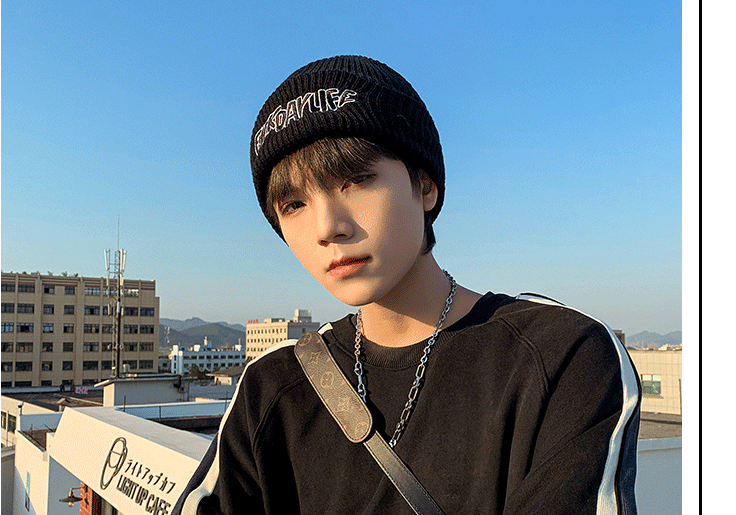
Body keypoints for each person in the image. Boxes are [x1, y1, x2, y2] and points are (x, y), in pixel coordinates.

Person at [172, 55, 640, 515]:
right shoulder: (270, 390)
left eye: (357, 180)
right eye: (294, 205)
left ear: (426, 185)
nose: (327, 228)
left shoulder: (561, 357)